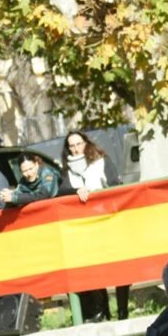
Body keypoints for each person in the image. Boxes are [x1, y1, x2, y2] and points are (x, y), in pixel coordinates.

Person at [60, 130, 130, 322]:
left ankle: (123, 311)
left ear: (86, 143)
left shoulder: (101, 161)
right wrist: (77, 191)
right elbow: (61, 192)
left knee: (119, 268)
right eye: (71, 146)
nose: (75, 149)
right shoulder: (67, 170)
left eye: (78, 144)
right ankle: (102, 310)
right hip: (84, 227)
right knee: (94, 268)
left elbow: (114, 184)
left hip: (106, 221)